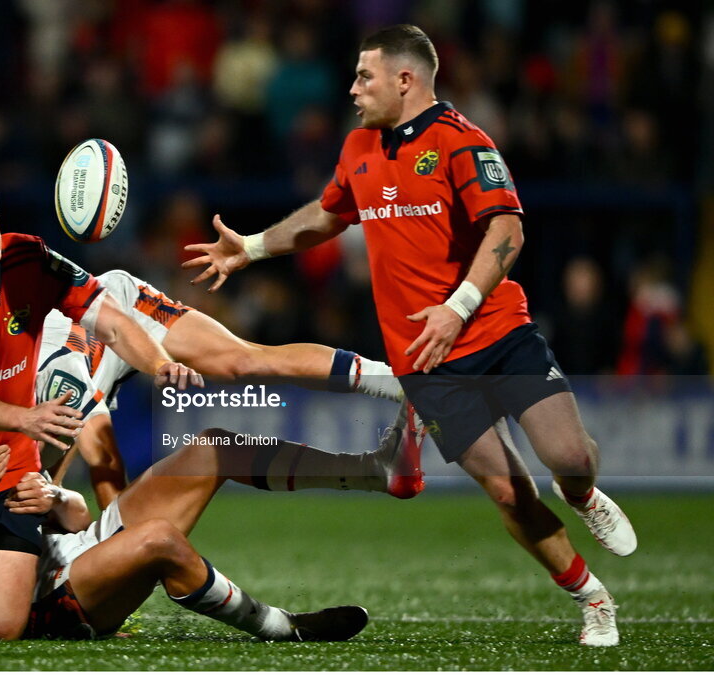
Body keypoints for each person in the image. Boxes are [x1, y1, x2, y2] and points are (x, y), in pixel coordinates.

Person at [183, 24, 636, 647]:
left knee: (571, 457)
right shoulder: (358, 147)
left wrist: (458, 307)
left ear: (406, 79)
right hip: (424, 360)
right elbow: (328, 213)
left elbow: (508, 229)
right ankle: (593, 598)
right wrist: (255, 246)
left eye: (364, 76)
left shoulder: (461, 142)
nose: (352, 88)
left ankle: (581, 493)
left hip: (496, 331)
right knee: (508, 490)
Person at [0, 366, 383, 642]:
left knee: (214, 448)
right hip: (55, 596)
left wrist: (53, 495)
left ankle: (369, 473)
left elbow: (71, 517)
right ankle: (285, 629)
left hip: (75, 548)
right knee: (158, 544)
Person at [0, 163, 203, 641]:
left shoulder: (28, 258)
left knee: (0, 630)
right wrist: (25, 417)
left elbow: (111, 321)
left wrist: (162, 365)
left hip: (11, 478)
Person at [35, 268, 424, 507]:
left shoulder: (49, 386)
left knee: (242, 361)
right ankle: (374, 467)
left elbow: (103, 463)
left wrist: (115, 553)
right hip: (73, 348)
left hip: (116, 302)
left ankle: (402, 385)